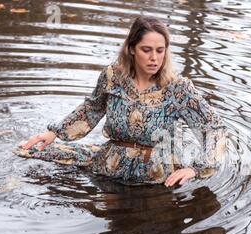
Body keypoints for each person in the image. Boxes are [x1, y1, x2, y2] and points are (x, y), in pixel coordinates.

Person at [14, 15, 227, 187]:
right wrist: (54, 133)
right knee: (29, 151)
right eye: (147, 50)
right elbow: (92, 108)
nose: (154, 58)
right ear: (132, 49)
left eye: (160, 51)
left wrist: (196, 168)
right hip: (111, 162)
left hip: (156, 174)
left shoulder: (178, 88)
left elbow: (213, 128)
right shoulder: (112, 76)